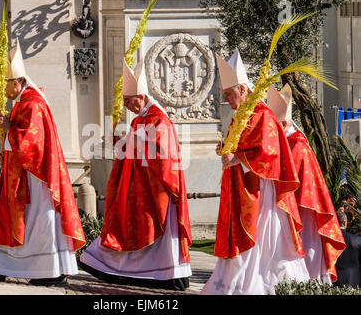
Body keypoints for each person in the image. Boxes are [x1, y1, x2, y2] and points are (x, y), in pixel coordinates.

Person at [0, 40, 86, 286]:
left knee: (37, 222)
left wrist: (7, 127)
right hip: (21, 172)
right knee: (7, 218)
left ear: (18, 82)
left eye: (7, 83)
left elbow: (31, 142)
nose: (4, 88)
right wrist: (7, 149)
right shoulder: (25, 103)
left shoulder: (33, 104)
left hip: (36, 178)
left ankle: (48, 270)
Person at [200, 50, 310, 295]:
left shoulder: (264, 115)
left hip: (260, 195)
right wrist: (226, 148)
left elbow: (269, 153)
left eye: (229, 94)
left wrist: (236, 157)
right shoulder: (242, 115)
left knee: (263, 241)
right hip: (241, 189)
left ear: (242, 89)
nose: (227, 100)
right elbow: (238, 145)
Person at [79, 58, 192, 291]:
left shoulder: (159, 119)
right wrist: (122, 143)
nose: (129, 107)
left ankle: (172, 274)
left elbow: (164, 154)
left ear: (142, 97)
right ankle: (131, 270)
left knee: (158, 231)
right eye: (125, 103)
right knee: (130, 227)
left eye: (130, 102)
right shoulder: (141, 119)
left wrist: (133, 141)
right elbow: (133, 148)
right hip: (139, 188)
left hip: (157, 188)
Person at [266, 84, 346, 284]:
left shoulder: (298, 145)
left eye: (274, 127)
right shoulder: (288, 142)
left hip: (305, 208)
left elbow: (288, 175)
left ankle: (311, 282)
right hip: (292, 205)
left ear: (283, 124)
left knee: (308, 248)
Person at [334, 210, 361, 288]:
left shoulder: (327, 241)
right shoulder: (357, 239)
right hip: (354, 282)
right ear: (345, 223)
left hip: (333, 283)